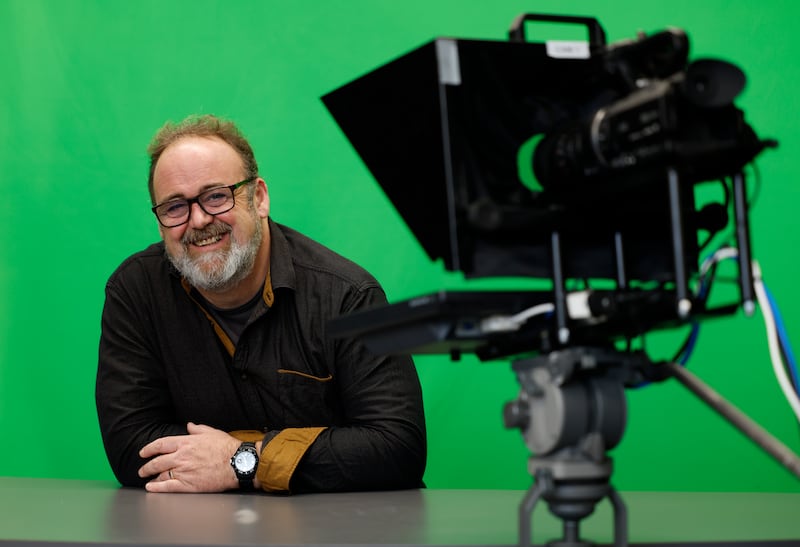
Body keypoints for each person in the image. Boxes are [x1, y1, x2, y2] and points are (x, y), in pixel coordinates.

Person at [95, 114, 427, 494]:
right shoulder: (135, 292)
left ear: (259, 198)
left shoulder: (349, 297)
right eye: (174, 207)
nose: (198, 220)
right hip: (196, 525)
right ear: (160, 222)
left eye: (216, 196)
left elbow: (398, 447)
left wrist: (241, 460)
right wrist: (300, 453)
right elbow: (131, 447)